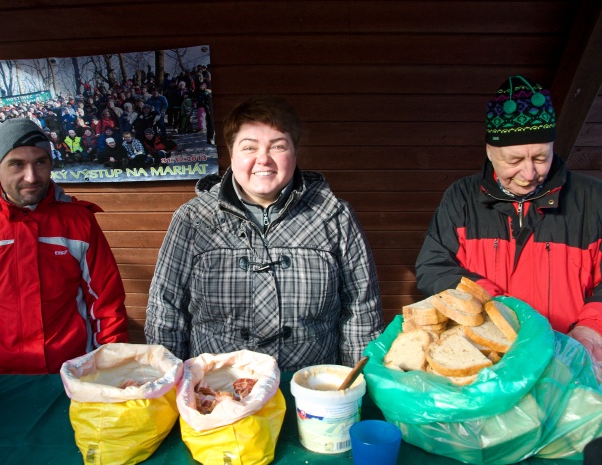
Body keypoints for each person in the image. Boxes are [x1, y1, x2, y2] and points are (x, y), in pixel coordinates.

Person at [145, 96, 383, 372]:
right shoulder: (194, 219)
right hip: (218, 392)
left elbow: (361, 311)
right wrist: (169, 386)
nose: (263, 159)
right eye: (249, 147)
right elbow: (165, 310)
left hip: (308, 390)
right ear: (231, 155)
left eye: (278, 146)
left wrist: (354, 387)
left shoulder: (334, 216)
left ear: (295, 154)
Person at [414, 75, 602, 372]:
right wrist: (491, 301)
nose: (529, 173)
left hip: (573, 362)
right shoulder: (462, 197)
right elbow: (432, 266)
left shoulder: (593, 199)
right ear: (490, 150)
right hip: (490, 363)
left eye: (541, 157)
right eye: (514, 160)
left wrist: (593, 328)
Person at [0, 118, 128, 374]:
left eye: (40, 162)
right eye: (17, 164)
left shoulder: (79, 222)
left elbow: (106, 303)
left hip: (74, 372)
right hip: (2, 380)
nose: (31, 176)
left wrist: (111, 370)